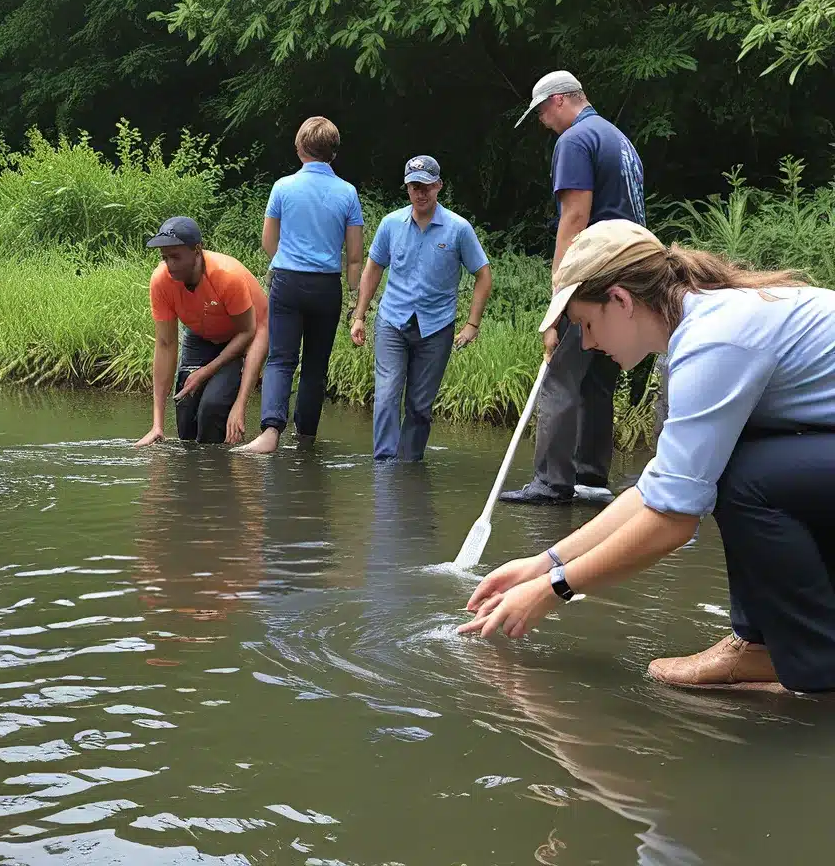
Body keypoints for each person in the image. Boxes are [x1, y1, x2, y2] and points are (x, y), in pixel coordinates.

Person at [460, 218, 835, 694]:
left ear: (620, 300)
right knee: (734, 468)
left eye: (587, 324)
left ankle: (814, 663)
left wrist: (555, 588)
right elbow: (659, 487)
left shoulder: (715, 342)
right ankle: (762, 645)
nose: (590, 344)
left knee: (744, 478)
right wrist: (543, 562)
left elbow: (673, 520)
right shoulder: (698, 329)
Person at [502, 70, 645, 507]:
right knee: (598, 380)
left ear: (561, 100)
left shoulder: (576, 140)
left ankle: (551, 482)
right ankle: (591, 478)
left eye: (542, 111)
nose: (543, 121)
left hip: (594, 272)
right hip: (631, 271)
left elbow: (575, 217)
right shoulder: (620, 140)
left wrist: (560, 288)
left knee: (559, 374)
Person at [350, 155, 492, 460]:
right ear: (407, 188)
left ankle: (408, 466)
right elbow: (373, 269)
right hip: (392, 320)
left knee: (419, 406)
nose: (421, 192)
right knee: (387, 395)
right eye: (415, 186)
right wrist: (359, 315)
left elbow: (483, 275)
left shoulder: (458, 229)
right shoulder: (391, 224)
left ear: (438, 186)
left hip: (436, 327)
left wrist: (472, 324)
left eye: (427, 186)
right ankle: (385, 466)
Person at [237, 116, 364, 454]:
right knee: (315, 366)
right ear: (333, 153)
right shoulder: (348, 193)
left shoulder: (283, 187)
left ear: (299, 148)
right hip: (326, 288)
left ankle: (270, 434)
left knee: (280, 359)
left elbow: (268, 242)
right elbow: (354, 257)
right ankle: (305, 438)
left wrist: (289, 263)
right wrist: (356, 302)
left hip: (288, 283)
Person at [135, 216, 269, 447]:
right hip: (201, 334)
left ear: (197, 250)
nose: (170, 265)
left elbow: (249, 332)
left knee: (212, 407)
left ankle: (218, 473)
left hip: (246, 334)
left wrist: (238, 403)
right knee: (186, 412)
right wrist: (157, 424)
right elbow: (166, 344)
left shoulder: (227, 276)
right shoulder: (161, 281)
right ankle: (194, 478)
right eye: (165, 258)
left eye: (176, 257)